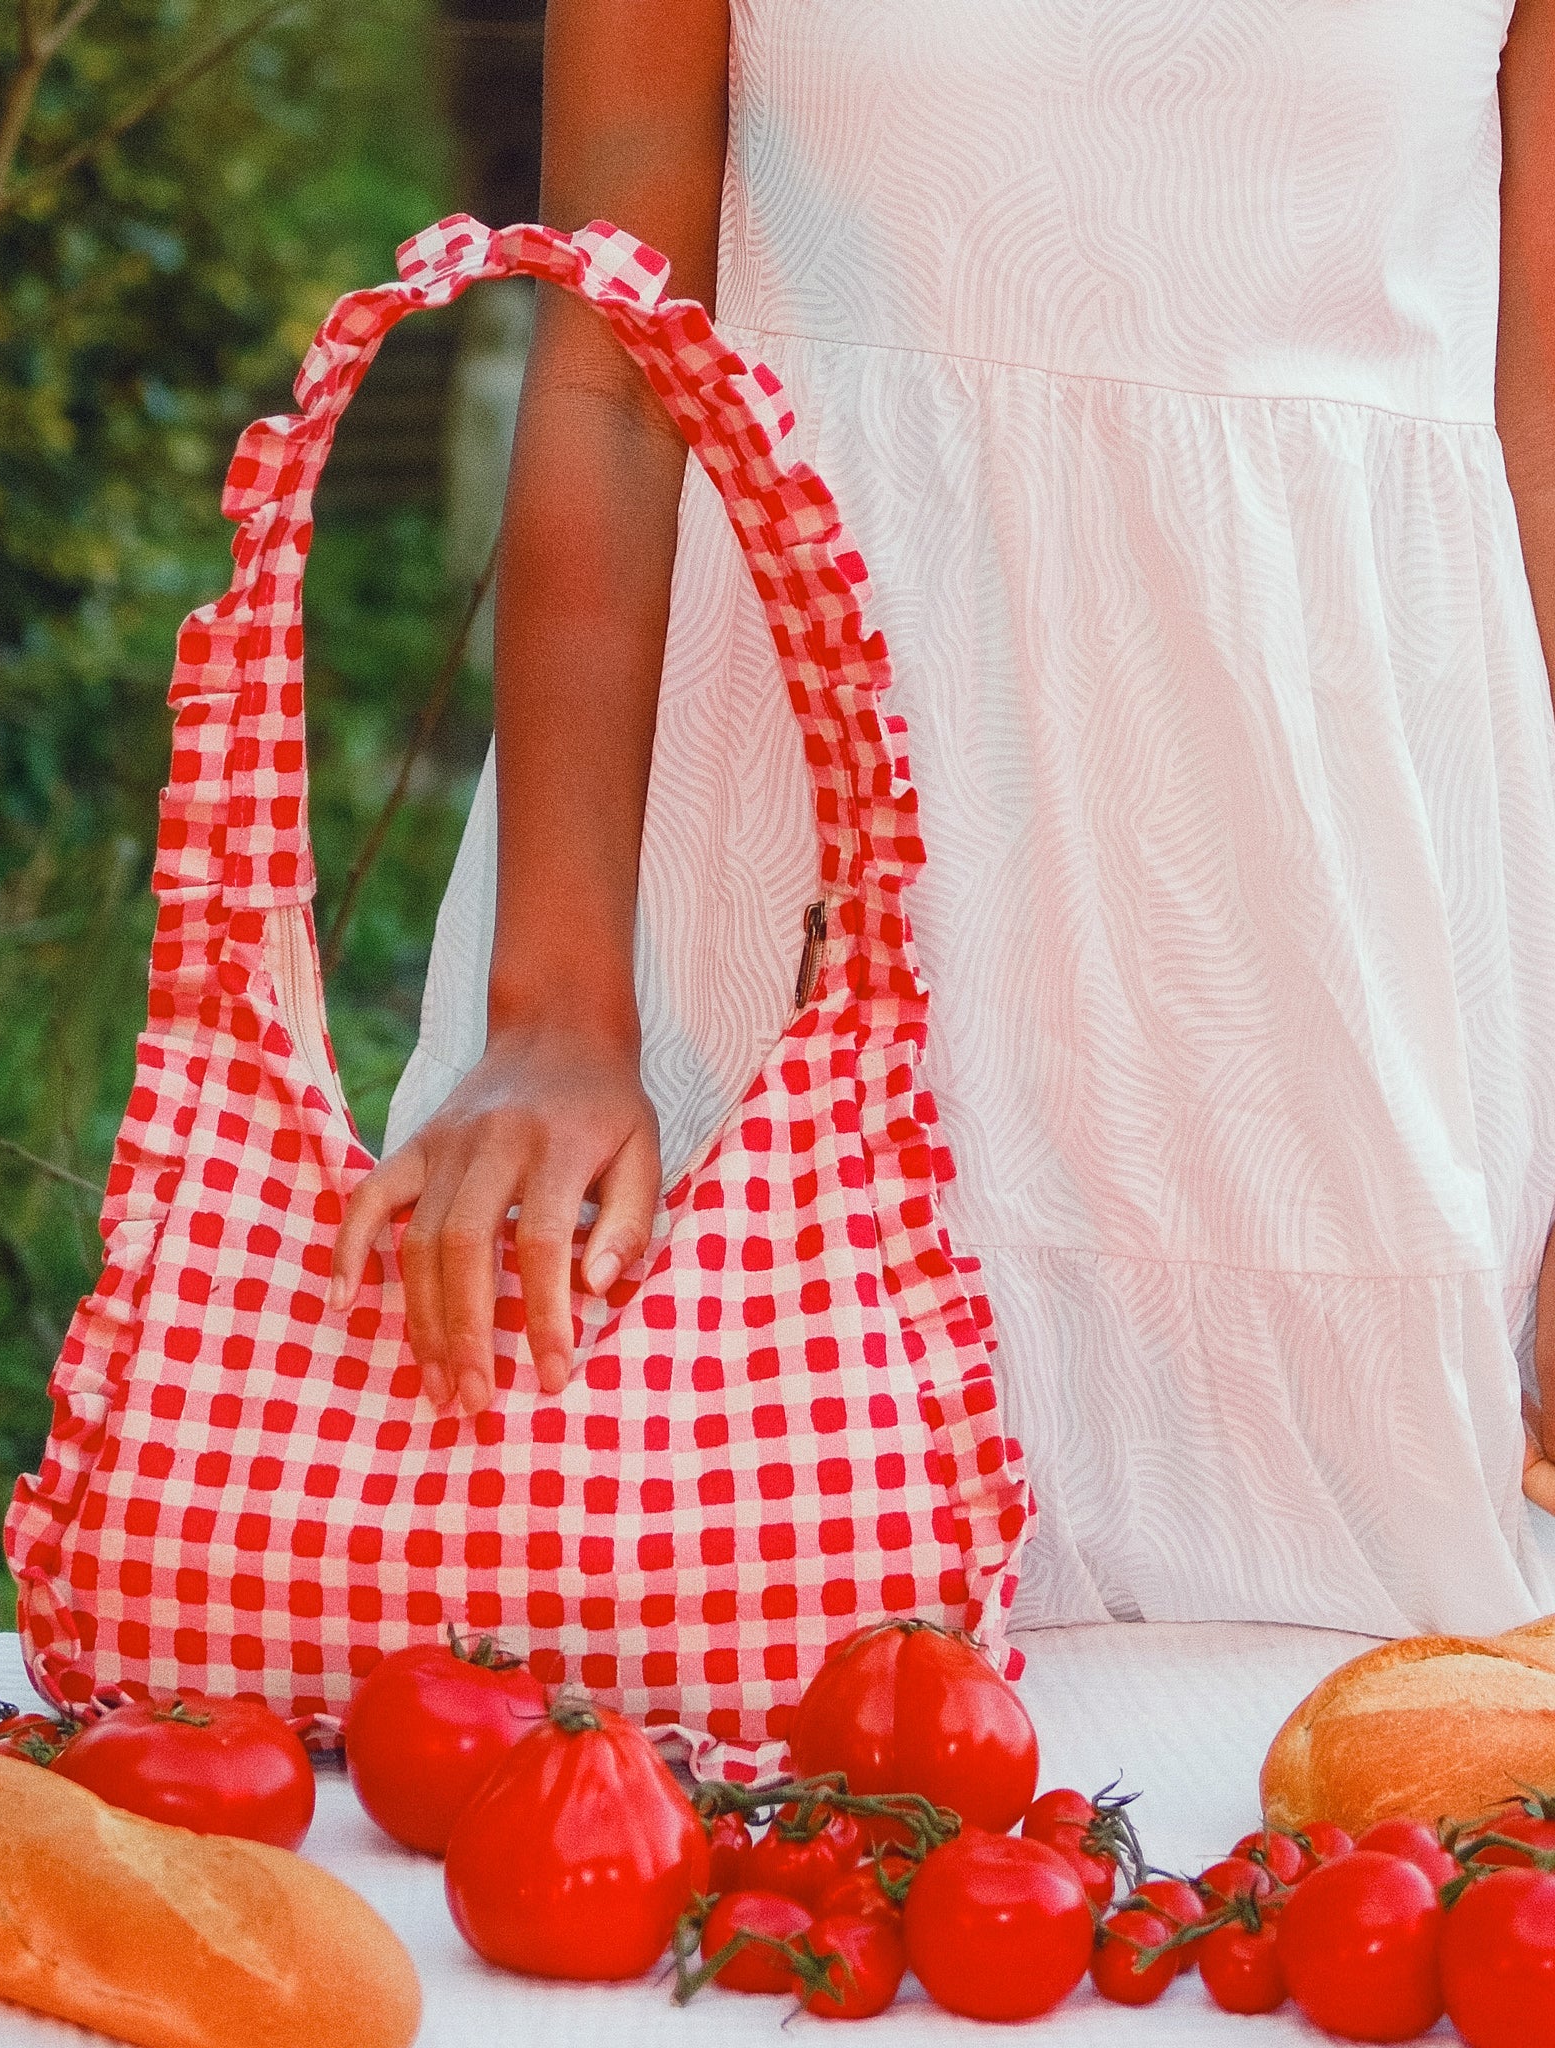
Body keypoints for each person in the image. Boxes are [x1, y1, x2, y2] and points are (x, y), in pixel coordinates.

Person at [330, 0, 1555, 1634]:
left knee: (1349, 1753)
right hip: (775, 932)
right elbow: (615, 375)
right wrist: (555, 1013)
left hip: (1322, 1005)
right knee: (656, 1697)